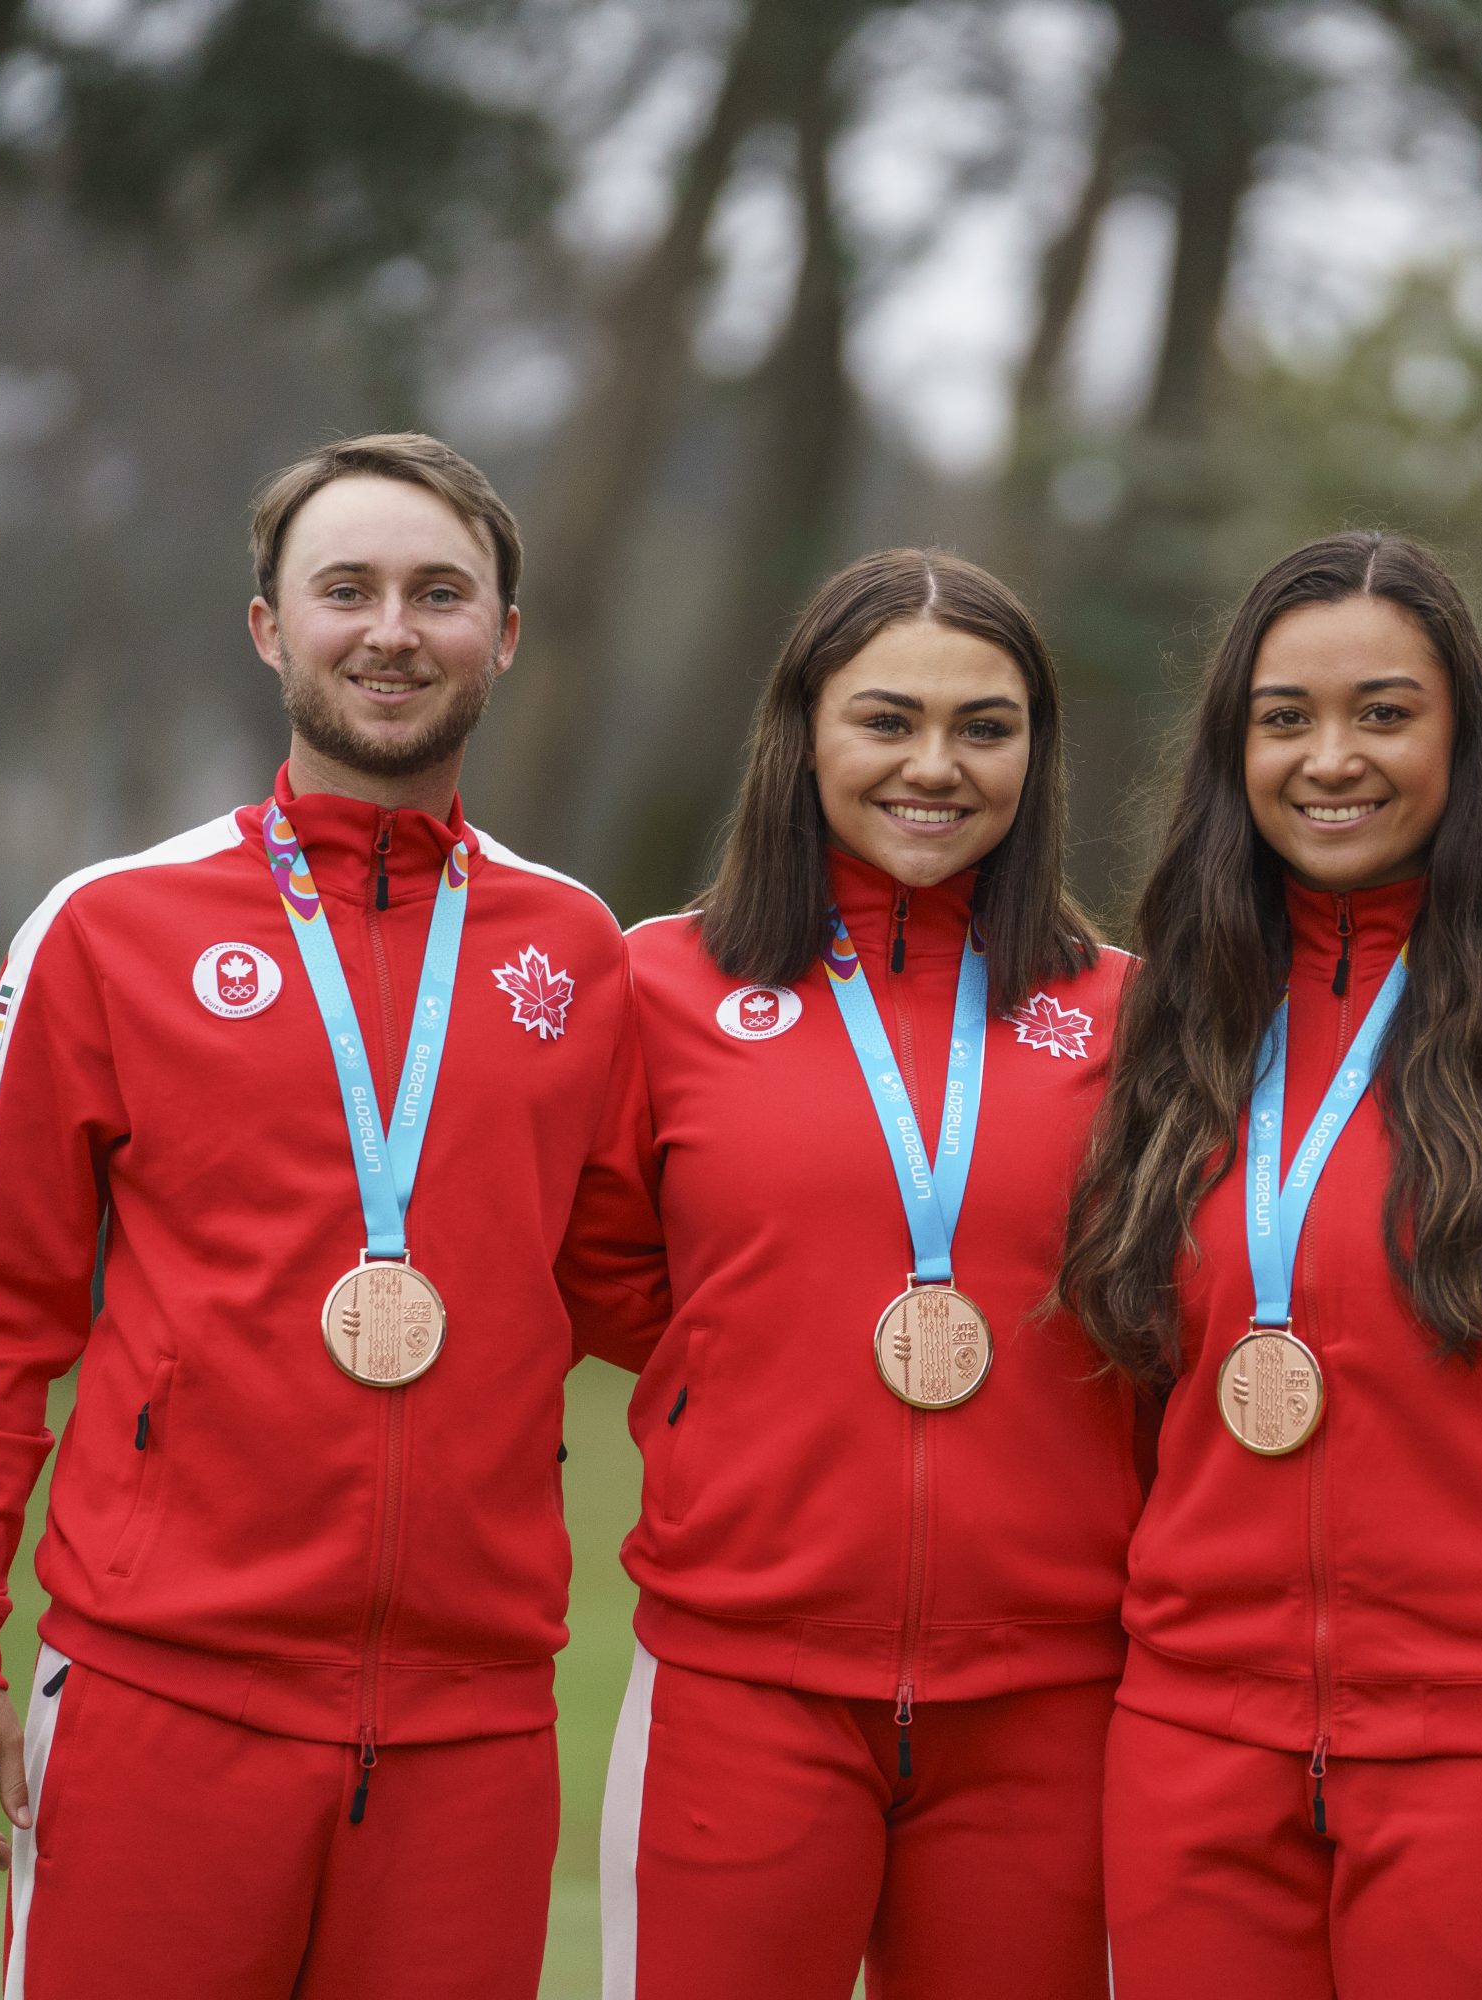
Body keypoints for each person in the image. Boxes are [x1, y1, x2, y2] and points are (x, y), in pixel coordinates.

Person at [0, 433, 657, 1998]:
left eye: (441, 593)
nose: (392, 629)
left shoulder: (576, 950)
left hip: (472, 1722)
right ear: (266, 626)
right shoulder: (112, 929)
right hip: (162, 1699)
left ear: (503, 634)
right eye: (346, 590)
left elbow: (648, 1294)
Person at [1063, 531, 1482, 1999]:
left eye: (1385, 712)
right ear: (1230, 749)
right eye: (1285, 717)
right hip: (1193, 1727)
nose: (1333, 758)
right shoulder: (1157, 1022)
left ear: (1463, 741)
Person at [586, 548, 1142, 2000]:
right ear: (804, 732)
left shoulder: (1130, 1013)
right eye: (888, 720)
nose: (936, 767)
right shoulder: (658, 987)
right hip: (741, 1681)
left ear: (1038, 749)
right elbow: (617, 1277)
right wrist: (762, 1371)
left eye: (986, 726)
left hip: (1053, 1701)